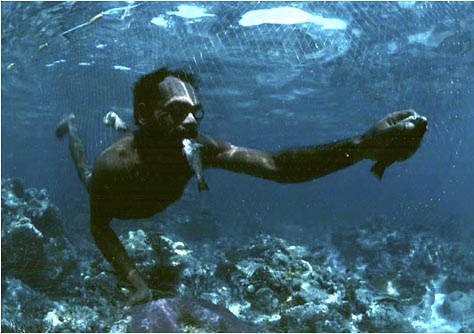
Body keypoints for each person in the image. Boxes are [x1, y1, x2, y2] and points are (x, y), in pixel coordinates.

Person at [55, 67, 428, 308]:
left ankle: (116, 124)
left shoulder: (198, 147)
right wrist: (136, 282)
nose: (190, 122)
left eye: (195, 112)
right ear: (146, 114)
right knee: (85, 172)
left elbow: (278, 166)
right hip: (118, 196)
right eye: (176, 111)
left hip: (144, 159)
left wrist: (361, 146)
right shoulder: (115, 166)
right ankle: (72, 128)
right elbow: (99, 226)